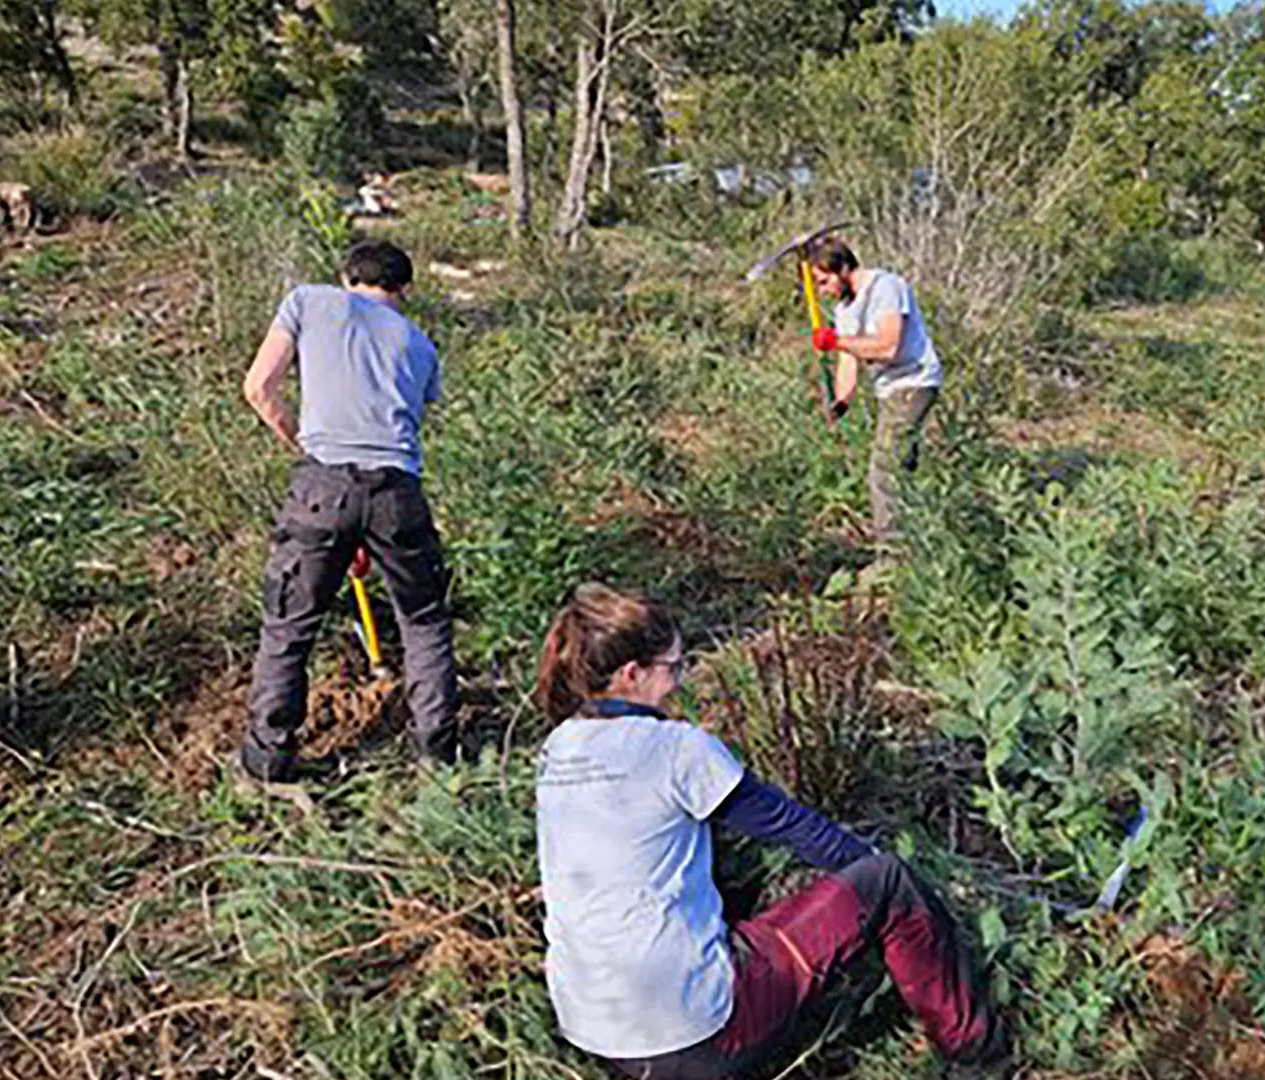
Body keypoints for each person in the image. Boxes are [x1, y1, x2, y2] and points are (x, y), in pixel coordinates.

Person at [533, 583, 1008, 1079]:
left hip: (595, 1029)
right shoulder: (675, 749)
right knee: (887, 882)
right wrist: (871, 862)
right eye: (674, 667)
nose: (682, 679)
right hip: (698, 1038)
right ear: (631, 674)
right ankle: (979, 1056)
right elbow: (792, 826)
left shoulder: (559, 748)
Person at [237, 239, 458, 781]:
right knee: (425, 623)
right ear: (404, 289)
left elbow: (259, 388)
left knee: (288, 628)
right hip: (398, 495)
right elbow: (402, 428)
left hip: (321, 487)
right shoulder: (422, 345)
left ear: (346, 278)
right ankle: (438, 757)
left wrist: (308, 451)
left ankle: (267, 762)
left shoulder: (309, 301)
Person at [804, 237, 943, 551]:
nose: (823, 291)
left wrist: (837, 341)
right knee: (900, 467)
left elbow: (888, 346)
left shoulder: (885, 287)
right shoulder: (844, 308)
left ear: (842, 267)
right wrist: (840, 402)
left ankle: (893, 557)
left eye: (825, 281)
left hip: (914, 381)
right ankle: (922, 544)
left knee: (884, 471)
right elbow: (849, 360)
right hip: (890, 389)